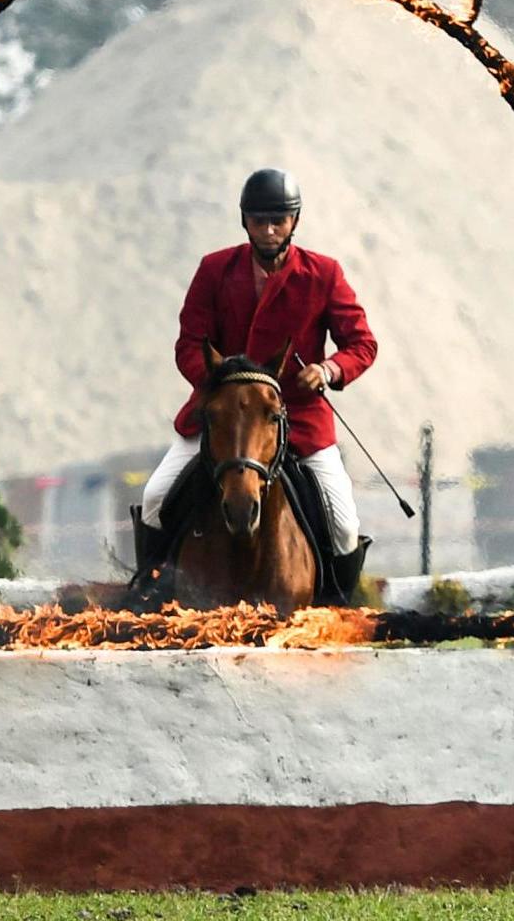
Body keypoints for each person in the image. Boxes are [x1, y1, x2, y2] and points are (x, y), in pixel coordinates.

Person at [131, 168, 378, 603]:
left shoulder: (323, 273)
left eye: (277, 221)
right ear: (244, 220)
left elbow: (361, 343)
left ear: (294, 222)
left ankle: (340, 606)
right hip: (223, 417)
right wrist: (217, 382)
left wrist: (328, 370)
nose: (267, 230)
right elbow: (189, 343)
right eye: (259, 220)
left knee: (344, 525)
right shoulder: (214, 269)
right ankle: (147, 591)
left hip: (296, 416)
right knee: (154, 497)